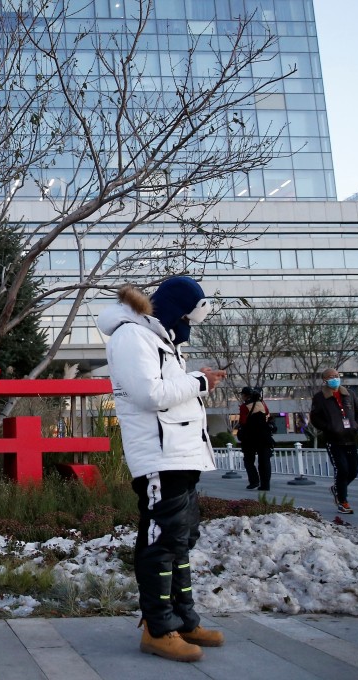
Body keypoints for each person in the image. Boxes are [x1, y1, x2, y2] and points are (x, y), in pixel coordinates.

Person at [96, 275, 226, 663]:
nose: (187, 327)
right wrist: (199, 381)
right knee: (160, 542)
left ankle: (183, 621)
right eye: (187, 317)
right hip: (159, 457)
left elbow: (170, 390)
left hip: (181, 454)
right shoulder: (131, 336)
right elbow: (149, 394)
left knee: (180, 540)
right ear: (174, 310)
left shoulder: (157, 337)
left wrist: (196, 379)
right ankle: (158, 628)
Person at [310, 368, 358, 515]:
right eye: (331, 377)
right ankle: (342, 501)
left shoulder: (349, 394)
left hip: (350, 438)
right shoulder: (320, 398)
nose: (335, 378)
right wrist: (328, 427)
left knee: (352, 471)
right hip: (333, 440)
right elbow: (314, 418)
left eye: (336, 376)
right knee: (342, 469)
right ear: (325, 380)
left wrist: (356, 425)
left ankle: (337, 489)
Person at [236, 386, 273, 491]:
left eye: (242, 394)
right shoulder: (262, 404)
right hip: (264, 436)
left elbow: (243, 422)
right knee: (265, 461)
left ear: (245, 395)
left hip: (250, 437)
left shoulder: (244, 407)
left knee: (248, 460)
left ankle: (254, 481)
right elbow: (267, 415)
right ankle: (265, 485)